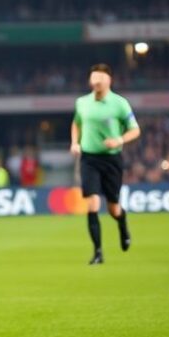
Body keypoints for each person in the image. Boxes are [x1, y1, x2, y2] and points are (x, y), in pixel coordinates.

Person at [70, 63, 140, 265]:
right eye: (94, 78)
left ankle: (122, 224)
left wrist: (119, 140)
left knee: (113, 209)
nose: (97, 82)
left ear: (109, 80)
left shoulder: (120, 104)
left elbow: (135, 130)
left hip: (111, 159)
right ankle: (98, 252)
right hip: (89, 158)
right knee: (92, 203)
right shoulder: (82, 102)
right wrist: (75, 142)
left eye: (100, 78)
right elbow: (76, 123)